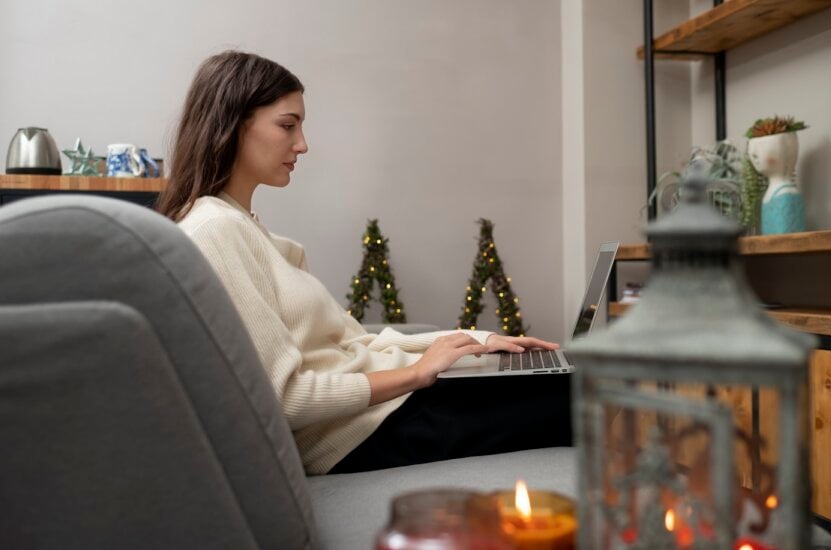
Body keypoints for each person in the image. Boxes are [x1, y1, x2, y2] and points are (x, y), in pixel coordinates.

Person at [156, 50, 572, 475]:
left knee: (566, 377)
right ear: (232, 124)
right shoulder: (213, 230)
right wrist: (416, 375)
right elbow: (284, 399)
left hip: (385, 410)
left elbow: (354, 345)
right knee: (582, 392)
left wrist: (473, 340)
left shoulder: (248, 230)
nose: (302, 144)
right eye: (287, 125)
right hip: (363, 435)